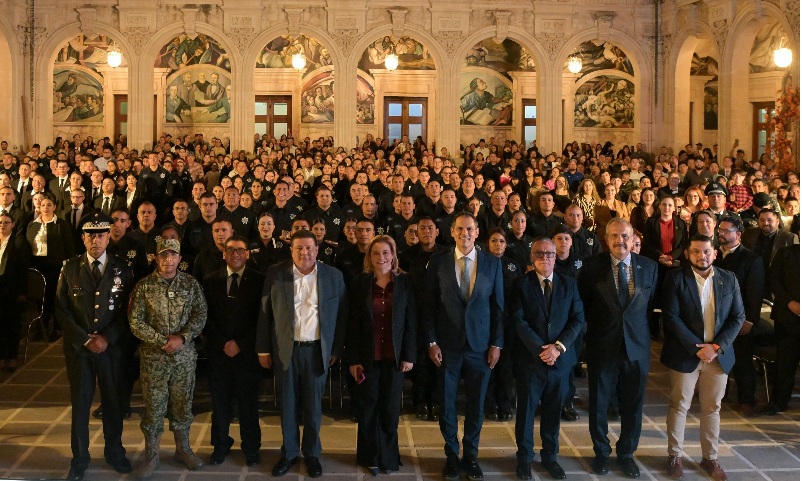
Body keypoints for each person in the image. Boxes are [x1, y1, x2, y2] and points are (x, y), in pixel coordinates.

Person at [256, 230, 348, 478]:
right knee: (287, 405)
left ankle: (312, 454)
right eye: (299, 248)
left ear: (317, 250)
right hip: (286, 350)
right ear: (291, 250)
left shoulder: (333, 276)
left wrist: (336, 349)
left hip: (317, 351)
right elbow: (265, 313)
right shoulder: (276, 274)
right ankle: (288, 453)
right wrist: (263, 348)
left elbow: (342, 317)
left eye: (309, 248)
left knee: (313, 407)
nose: (304, 252)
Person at [423, 213, 505, 481]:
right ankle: (451, 455)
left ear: (477, 231)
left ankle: (470, 456)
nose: (465, 233)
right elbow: (430, 307)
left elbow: (498, 309)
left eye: (470, 229)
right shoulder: (438, 262)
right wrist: (432, 341)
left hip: (481, 347)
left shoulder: (492, 264)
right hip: (447, 347)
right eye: (460, 229)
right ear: (452, 231)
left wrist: (496, 343)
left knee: (476, 404)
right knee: (446, 404)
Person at [54, 213, 135, 481]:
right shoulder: (70, 268)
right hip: (80, 349)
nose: (96, 240)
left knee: (113, 403)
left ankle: (115, 452)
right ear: (83, 238)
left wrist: (106, 338)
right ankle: (80, 458)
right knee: (80, 404)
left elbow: (128, 310)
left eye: (101, 234)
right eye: (90, 235)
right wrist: (86, 339)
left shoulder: (122, 268)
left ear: (109, 237)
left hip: (111, 348)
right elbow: (61, 309)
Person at [577, 218, 658, 478]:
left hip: (637, 348)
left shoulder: (649, 267)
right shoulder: (591, 267)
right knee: (599, 404)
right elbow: (584, 306)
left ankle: (626, 454)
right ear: (606, 238)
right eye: (613, 236)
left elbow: (648, 306)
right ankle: (601, 453)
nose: (619, 241)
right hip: (603, 346)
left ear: (633, 237)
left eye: (624, 236)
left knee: (632, 405)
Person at [660, 234, 745, 481]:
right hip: (687, 354)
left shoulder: (728, 279)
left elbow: (738, 317)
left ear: (715, 253)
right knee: (680, 405)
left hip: (717, 356)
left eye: (706, 251)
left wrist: (716, 347)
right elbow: (672, 317)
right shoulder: (676, 278)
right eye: (696, 251)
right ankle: (674, 456)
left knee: (712, 408)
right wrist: (697, 348)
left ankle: (710, 458)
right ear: (687, 254)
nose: (701, 256)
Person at [128, 238, 208, 478]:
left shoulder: (191, 285)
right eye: (163, 255)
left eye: (173, 255)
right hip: (154, 358)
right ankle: (151, 456)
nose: (168, 260)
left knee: (183, 404)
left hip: (183, 357)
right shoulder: (144, 287)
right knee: (154, 407)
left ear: (180, 259)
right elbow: (135, 321)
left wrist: (182, 337)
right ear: (155, 258)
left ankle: (182, 449)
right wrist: (161, 340)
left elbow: (201, 313)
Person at [511, 238, 585, 481]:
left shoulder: (569, 285)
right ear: (532, 257)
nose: (545, 258)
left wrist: (558, 348)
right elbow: (518, 320)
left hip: (560, 361)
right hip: (531, 360)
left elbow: (577, 320)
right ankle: (524, 459)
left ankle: (550, 457)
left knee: (553, 411)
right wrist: (541, 349)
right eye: (539, 254)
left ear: (556, 256)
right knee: (526, 412)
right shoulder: (521, 284)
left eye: (550, 254)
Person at [346, 235, 416, 476]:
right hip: (368, 357)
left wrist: (409, 355)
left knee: (389, 409)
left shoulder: (405, 283)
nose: (381, 258)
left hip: (394, 358)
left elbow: (410, 323)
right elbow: (353, 324)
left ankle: (388, 456)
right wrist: (353, 359)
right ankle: (369, 456)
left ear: (393, 255)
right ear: (369, 257)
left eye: (386, 253)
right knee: (368, 408)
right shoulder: (360, 283)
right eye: (376, 253)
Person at [202, 235, 265, 466]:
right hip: (219, 353)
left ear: (248, 253)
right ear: (224, 253)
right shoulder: (210, 280)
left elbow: (262, 318)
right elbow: (205, 317)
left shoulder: (260, 280)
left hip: (246, 353)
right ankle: (220, 445)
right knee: (220, 405)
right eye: (231, 250)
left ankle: (251, 447)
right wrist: (222, 343)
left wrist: (240, 344)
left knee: (248, 404)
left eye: (240, 249)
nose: (235, 254)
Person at [713, 215, 765, 417]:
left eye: (726, 230)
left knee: (742, 360)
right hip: (717, 317)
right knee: (718, 358)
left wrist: (750, 319)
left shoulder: (751, 259)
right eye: (721, 230)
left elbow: (755, 292)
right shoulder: (715, 256)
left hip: (739, 319)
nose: (722, 234)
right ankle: (720, 393)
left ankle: (747, 399)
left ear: (738, 234)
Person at [27, 193, 75, 341]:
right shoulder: (32, 224)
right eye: (43, 205)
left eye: (49, 205)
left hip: (55, 266)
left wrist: (68, 266)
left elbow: (69, 247)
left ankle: (56, 328)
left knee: (54, 297)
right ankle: (40, 327)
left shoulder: (61, 224)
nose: (45, 208)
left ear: (54, 207)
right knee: (40, 298)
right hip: (37, 266)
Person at [762, 245, 800, 415]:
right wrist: (789, 302)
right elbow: (773, 279)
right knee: (785, 362)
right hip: (788, 316)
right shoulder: (786, 253)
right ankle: (779, 401)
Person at [0, 212, 31, 371]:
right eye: (0, 222)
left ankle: (11, 356)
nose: (2, 225)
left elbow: (22, 270)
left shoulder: (18, 243)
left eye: (6, 222)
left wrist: (22, 293)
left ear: (12, 225)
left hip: (12, 292)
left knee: (11, 325)